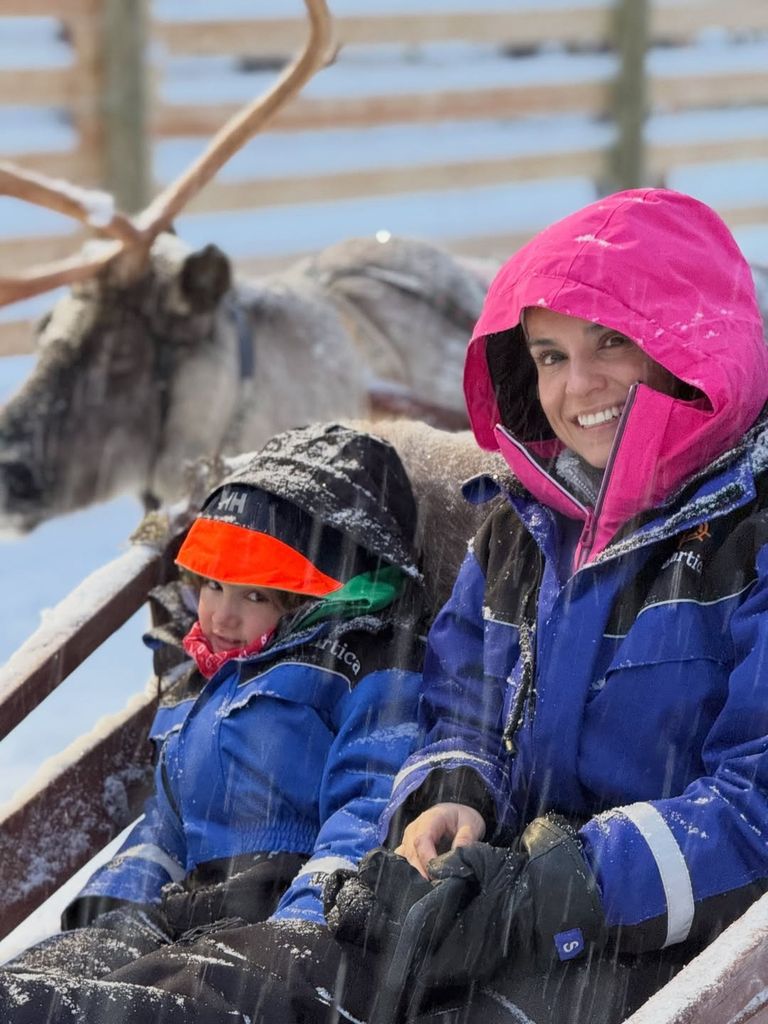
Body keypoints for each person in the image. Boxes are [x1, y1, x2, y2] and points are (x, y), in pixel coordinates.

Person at [4, 186, 768, 1024]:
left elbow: (752, 809)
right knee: (246, 988)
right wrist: (453, 793)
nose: (576, 385)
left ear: (693, 337)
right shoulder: (523, 527)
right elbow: (463, 704)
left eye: (612, 343)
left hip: (665, 943)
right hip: (483, 906)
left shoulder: (748, 536)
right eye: (548, 355)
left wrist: (558, 885)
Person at [0, 423, 426, 1010]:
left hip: (280, 910)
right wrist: (106, 919)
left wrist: (306, 924)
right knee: (29, 992)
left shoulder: (366, 666)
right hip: (182, 908)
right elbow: (164, 826)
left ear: (313, 598)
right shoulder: (201, 684)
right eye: (214, 585)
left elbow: (370, 802)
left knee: (149, 1011)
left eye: (255, 595)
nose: (221, 616)